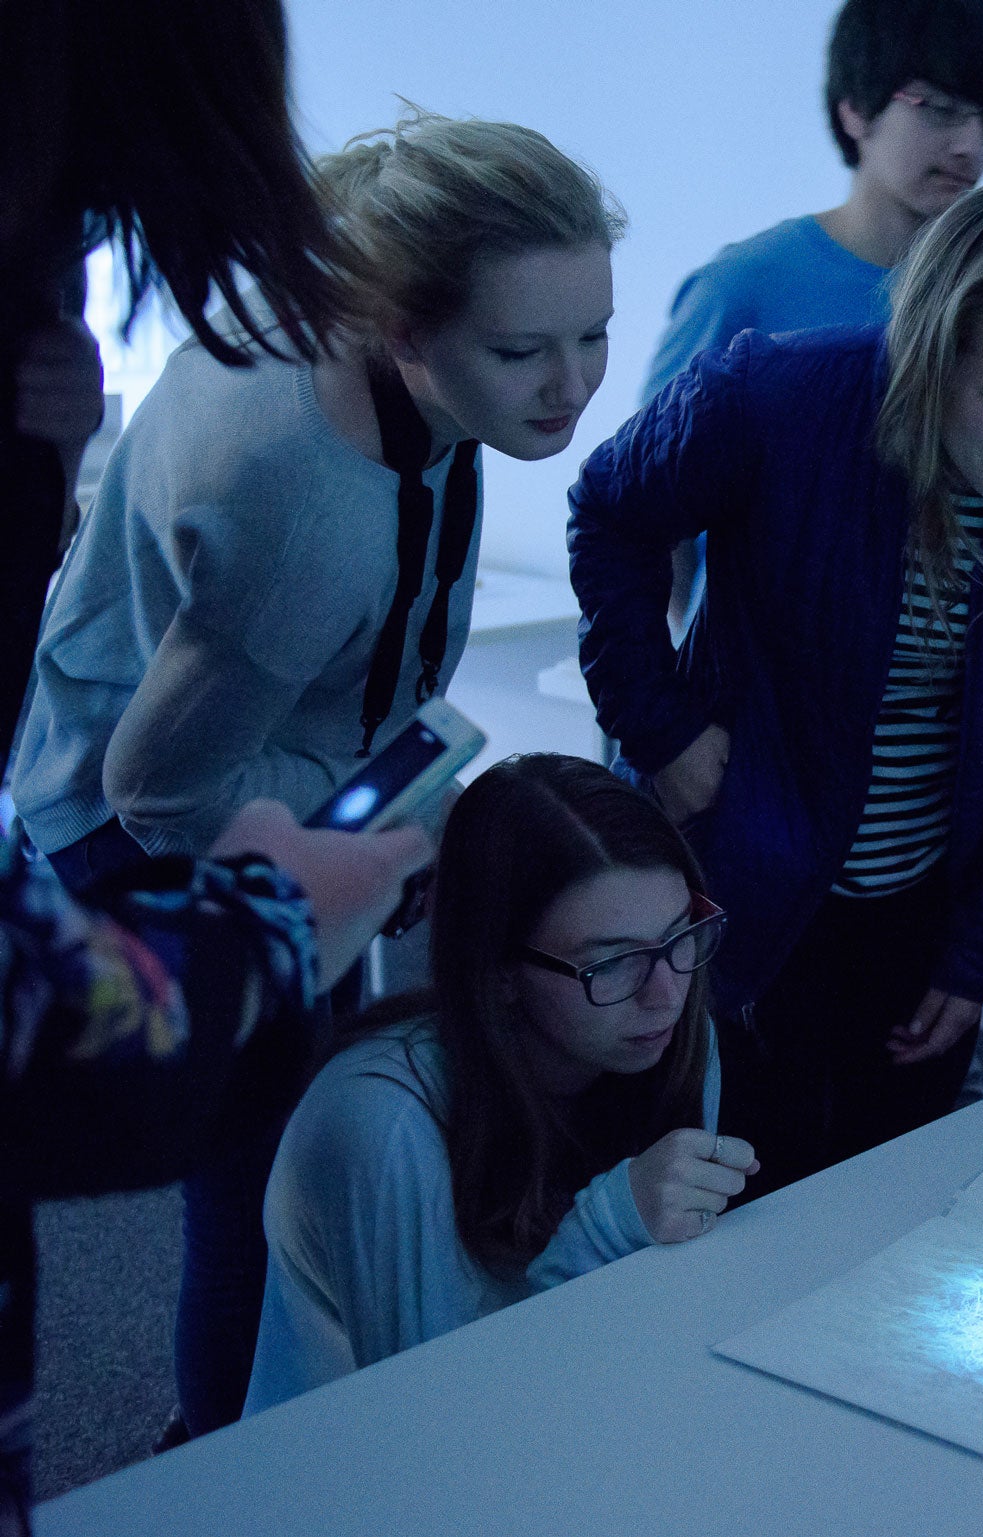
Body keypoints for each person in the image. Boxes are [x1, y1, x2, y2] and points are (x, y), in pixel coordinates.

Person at [8, 107, 624, 1439]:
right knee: (261, 1174)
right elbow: (157, 788)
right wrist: (369, 835)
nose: (572, 386)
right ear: (406, 328)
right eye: (524, 350)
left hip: (279, 749)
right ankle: (213, 1459)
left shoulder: (380, 357)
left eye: (594, 334)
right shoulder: (307, 504)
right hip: (140, 818)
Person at [1, 1, 430, 1520]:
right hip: (158, 841)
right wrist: (271, 913)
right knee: (243, 1175)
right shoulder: (311, 502)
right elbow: (60, 1038)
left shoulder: (387, 462)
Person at [571, 176, 983, 1200]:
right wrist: (659, 726)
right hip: (739, 888)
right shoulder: (778, 397)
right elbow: (610, 514)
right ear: (933, 357)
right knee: (723, 1203)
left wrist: (980, 951)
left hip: (921, 910)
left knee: (889, 1219)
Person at [244, 755, 751, 1414]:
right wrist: (605, 1228)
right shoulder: (380, 1124)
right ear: (500, 971)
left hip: (591, 1411)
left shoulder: (678, 1040)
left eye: (681, 934)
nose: (667, 994)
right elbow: (443, 1416)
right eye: (613, 962)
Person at [644, 0, 983, 636]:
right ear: (855, 109)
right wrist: (672, 695)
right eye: (941, 109)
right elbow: (651, 513)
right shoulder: (748, 285)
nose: (970, 146)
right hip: (750, 693)